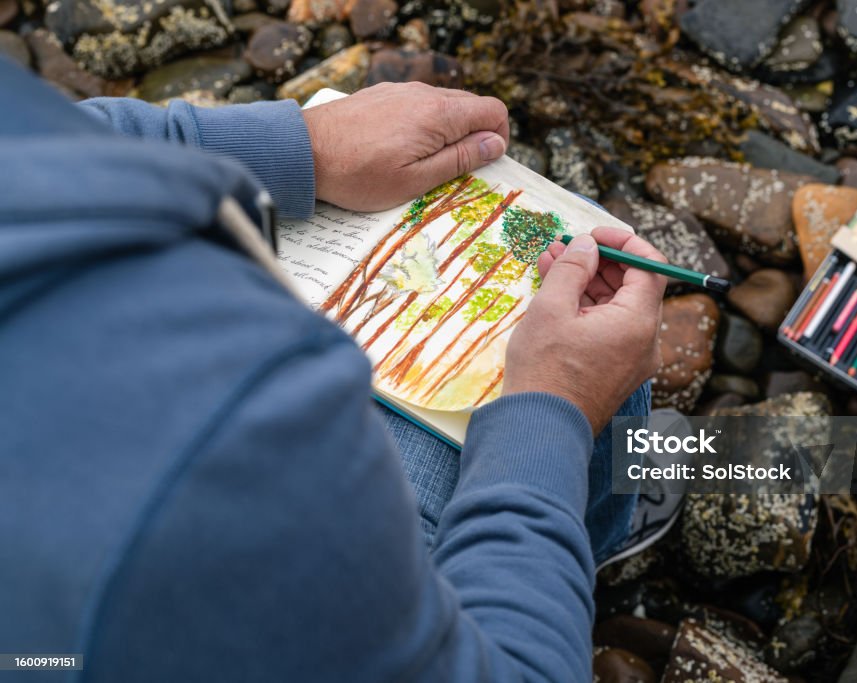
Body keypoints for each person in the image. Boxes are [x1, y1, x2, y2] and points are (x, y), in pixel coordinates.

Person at [0, 55, 667, 681]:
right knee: (571, 323)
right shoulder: (223, 499)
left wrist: (307, 147)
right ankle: (568, 541)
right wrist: (554, 412)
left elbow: (52, 155)